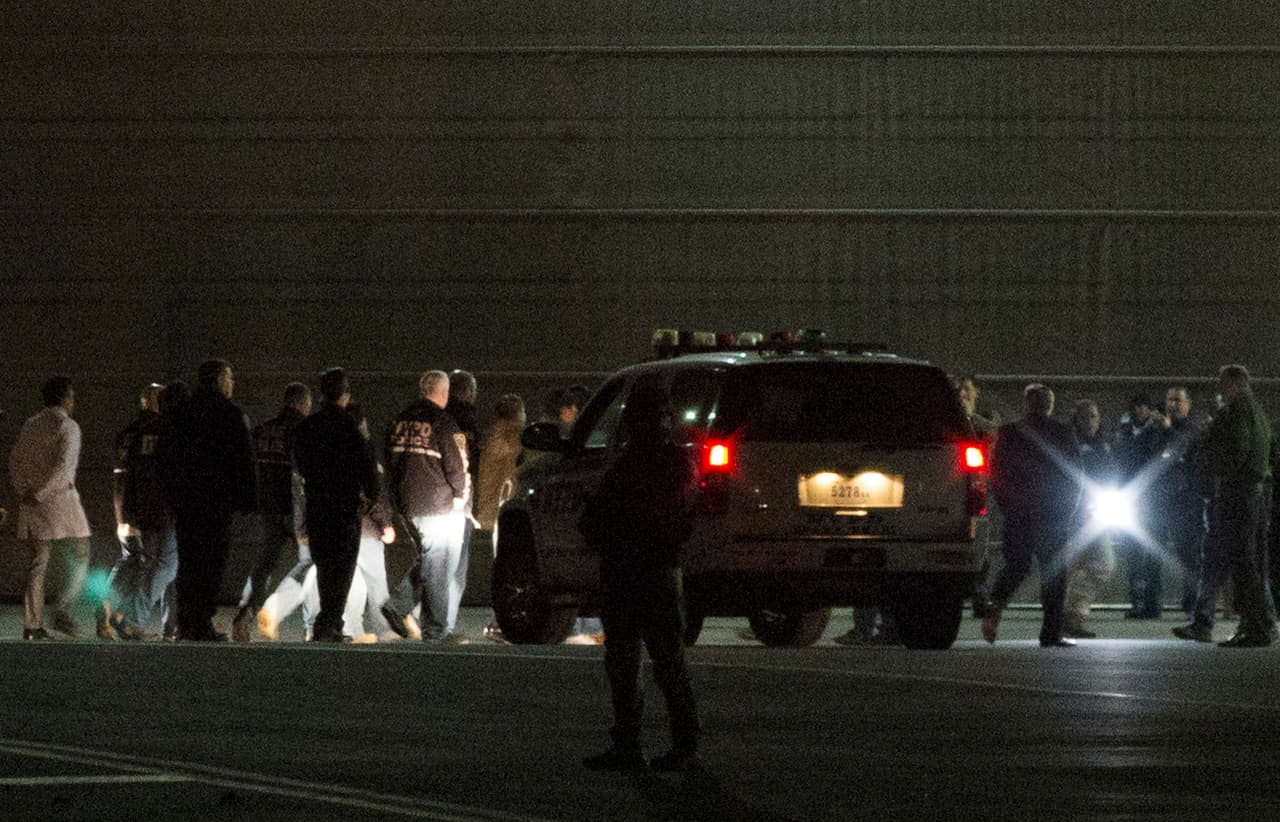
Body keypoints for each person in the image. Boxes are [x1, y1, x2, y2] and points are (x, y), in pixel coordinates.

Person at [578, 383, 700, 772]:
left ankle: (633, 744)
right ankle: (679, 744)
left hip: (631, 570)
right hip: (658, 569)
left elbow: (599, 519)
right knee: (664, 662)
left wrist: (597, 520)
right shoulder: (675, 463)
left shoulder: (631, 464)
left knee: (629, 662)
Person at [1176, 366, 1274, 648]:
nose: (1218, 389)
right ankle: (1223, 622)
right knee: (1227, 559)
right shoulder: (1255, 412)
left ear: (1235, 383)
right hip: (1246, 493)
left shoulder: (1239, 412)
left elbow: (1236, 452)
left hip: (1235, 494)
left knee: (1241, 561)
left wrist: (1216, 469)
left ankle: (1256, 626)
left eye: (1222, 383)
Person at [983, 383, 1082, 647]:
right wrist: (1068, 511)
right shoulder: (1063, 433)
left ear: (1026, 404)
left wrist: (1008, 507)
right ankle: (1051, 633)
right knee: (1054, 574)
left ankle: (996, 603)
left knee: (1017, 566)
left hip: (1019, 514)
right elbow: (1075, 476)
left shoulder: (1009, 433)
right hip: (1053, 516)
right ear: (1049, 405)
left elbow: (997, 475)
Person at [170, 359, 256, 642]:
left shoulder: (181, 412)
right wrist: (247, 497)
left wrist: (172, 493)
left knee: (188, 561)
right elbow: (243, 458)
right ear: (219, 379)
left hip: (186, 501)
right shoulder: (230, 414)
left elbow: (165, 456)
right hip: (217, 502)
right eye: (230, 377)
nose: (232, 383)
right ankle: (201, 622)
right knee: (212, 563)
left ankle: (185, 622)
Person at [292, 368, 380, 642]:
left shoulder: (308, 426)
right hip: (344, 506)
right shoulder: (348, 426)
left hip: (317, 504)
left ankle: (324, 623)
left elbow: (299, 461)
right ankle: (330, 623)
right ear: (344, 394)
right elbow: (366, 465)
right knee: (342, 568)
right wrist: (372, 495)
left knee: (324, 565)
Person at [384, 370, 470, 642]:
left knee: (428, 559)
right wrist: (460, 498)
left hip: (408, 505)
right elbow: (459, 467)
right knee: (438, 567)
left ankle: (397, 606)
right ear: (443, 393)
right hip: (437, 506)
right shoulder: (444, 423)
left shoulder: (399, 420)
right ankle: (436, 630)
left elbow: (389, 463)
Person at [8, 376, 92, 640]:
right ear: (67, 399)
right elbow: (64, 469)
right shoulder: (68, 426)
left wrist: (25, 492)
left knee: (38, 562)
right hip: (61, 502)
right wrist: (42, 493)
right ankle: (63, 607)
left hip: (32, 503)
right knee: (82, 552)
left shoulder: (30, 424)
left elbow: (14, 460)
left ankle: (32, 624)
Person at [231, 381, 312, 642]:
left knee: (264, 565)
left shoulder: (261, 431)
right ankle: (300, 621)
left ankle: (244, 612)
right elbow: (302, 477)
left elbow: (245, 466)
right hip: (297, 509)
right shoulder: (303, 430)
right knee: (311, 562)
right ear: (303, 404)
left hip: (267, 508)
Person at [103, 382, 170, 641]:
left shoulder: (127, 432)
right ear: (154, 401)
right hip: (143, 509)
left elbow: (120, 475)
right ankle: (123, 615)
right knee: (150, 562)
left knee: (131, 559)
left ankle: (106, 606)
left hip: (126, 505)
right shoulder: (154, 432)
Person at [474, 393, 526, 643]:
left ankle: (497, 619)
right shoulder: (515, 436)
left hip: (492, 508)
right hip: (507, 509)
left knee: (500, 563)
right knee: (511, 566)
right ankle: (501, 620)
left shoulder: (490, 435)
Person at [1151, 386, 1207, 616]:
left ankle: (1191, 602)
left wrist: (1169, 430)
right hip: (1160, 499)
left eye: (1177, 400)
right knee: (1152, 549)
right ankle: (1150, 602)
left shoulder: (1192, 429)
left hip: (1186, 501)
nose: (1172, 405)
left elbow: (1186, 448)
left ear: (1188, 404)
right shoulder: (1156, 429)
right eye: (1169, 400)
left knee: (1189, 553)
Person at [1063, 399, 1117, 639]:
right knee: (1078, 565)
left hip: (1097, 512)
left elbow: (1111, 474)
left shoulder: (1103, 446)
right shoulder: (1069, 444)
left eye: (1094, 416)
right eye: (1085, 417)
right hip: (1075, 514)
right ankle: (1071, 616)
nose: (1090, 422)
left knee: (1101, 564)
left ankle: (1071, 613)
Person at [1113, 394, 1164, 619]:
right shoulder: (1123, 433)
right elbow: (1118, 459)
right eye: (1134, 407)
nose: (1137, 412)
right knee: (1133, 554)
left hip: (1152, 499)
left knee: (1152, 554)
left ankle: (1151, 604)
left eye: (1142, 408)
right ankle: (1138, 602)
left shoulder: (1157, 433)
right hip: (1131, 497)